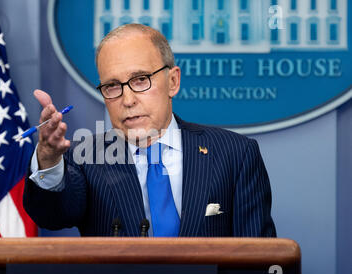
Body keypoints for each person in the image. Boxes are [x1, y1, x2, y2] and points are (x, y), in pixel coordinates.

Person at [23, 24, 276, 237]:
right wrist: (48, 159)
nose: (128, 99)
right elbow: (53, 214)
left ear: (173, 81)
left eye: (141, 80)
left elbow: (258, 262)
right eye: (112, 85)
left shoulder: (235, 154)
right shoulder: (85, 157)